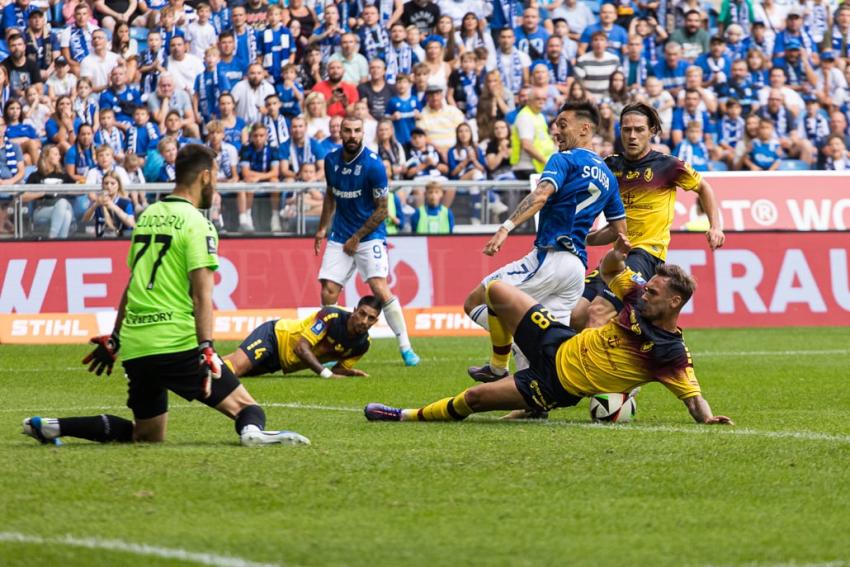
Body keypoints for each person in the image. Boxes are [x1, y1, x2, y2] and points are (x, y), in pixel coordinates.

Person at [22, 144, 310, 447]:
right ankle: (252, 434)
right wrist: (207, 348)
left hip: (137, 346)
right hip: (177, 343)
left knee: (147, 435)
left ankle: (53, 426)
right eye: (215, 179)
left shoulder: (147, 216)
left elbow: (134, 283)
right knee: (248, 409)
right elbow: (202, 296)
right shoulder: (199, 224)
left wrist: (115, 339)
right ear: (205, 176)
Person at [365, 235, 734, 426]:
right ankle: (498, 362)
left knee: (475, 399)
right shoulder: (638, 296)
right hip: (555, 340)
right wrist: (617, 255)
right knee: (497, 290)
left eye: (654, 292)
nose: (645, 293)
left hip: (556, 384)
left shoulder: (670, 352)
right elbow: (608, 270)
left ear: (674, 303)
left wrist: (708, 418)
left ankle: (403, 415)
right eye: (648, 287)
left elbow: (692, 397)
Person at [462, 102, 627, 383]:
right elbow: (619, 232)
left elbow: (540, 196)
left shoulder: (564, 159)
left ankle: (498, 366)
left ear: (584, 128)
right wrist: (585, 237)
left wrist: (505, 228)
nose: (556, 132)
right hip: (576, 269)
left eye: (563, 124)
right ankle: (533, 404)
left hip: (550, 257)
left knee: (482, 297)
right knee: (547, 342)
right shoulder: (609, 177)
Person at [571, 102, 725, 331]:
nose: (632, 135)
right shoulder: (610, 166)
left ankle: (591, 365)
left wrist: (716, 227)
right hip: (618, 254)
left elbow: (704, 188)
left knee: (598, 312)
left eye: (639, 129)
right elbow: (617, 229)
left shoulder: (668, 166)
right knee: (575, 316)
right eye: (626, 129)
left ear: (652, 130)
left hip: (646, 256)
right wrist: (584, 238)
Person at [314, 116, 420, 367]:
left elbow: (382, 209)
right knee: (328, 290)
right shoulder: (330, 160)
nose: (352, 135)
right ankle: (332, 349)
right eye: (347, 131)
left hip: (369, 236)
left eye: (357, 131)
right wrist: (321, 229)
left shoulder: (374, 166)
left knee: (379, 288)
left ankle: (406, 347)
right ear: (340, 132)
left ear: (364, 133)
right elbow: (331, 195)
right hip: (340, 234)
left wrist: (358, 237)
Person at [223, 296, 382, 379]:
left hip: (279, 363)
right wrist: (326, 375)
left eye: (370, 318)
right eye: (362, 314)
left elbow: (339, 369)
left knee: (229, 368)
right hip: (275, 337)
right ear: (354, 310)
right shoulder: (331, 316)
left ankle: (201, 362)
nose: (364, 321)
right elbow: (301, 348)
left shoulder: (362, 345)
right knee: (235, 369)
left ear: (376, 321)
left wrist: (352, 373)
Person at [82, 170, 136, 238]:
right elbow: (85, 221)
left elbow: (132, 224)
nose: (109, 186)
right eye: (106, 183)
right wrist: (95, 205)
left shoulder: (125, 203)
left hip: (121, 241)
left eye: (112, 183)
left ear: (118, 185)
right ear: (102, 185)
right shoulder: (97, 202)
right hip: (100, 241)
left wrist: (113, 207)